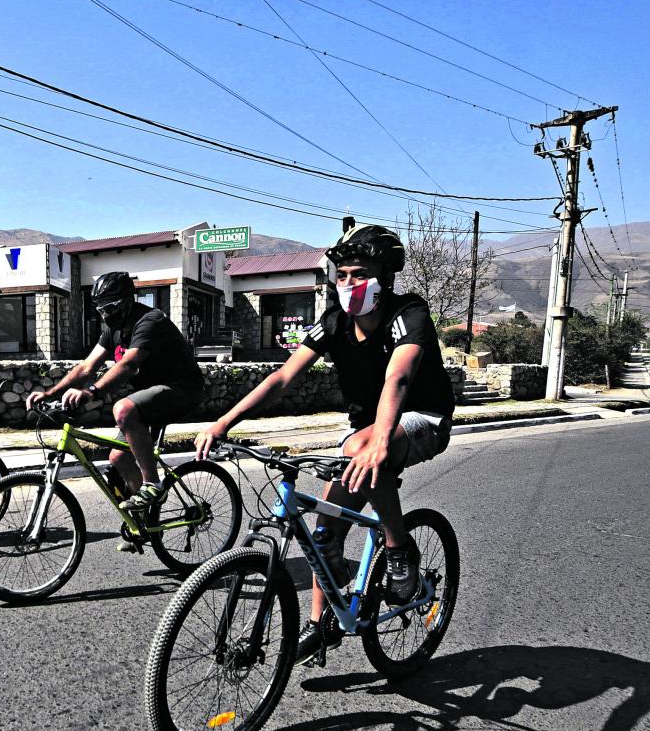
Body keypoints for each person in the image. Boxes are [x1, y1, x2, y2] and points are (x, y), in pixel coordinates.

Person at [194, 223, 455, 657]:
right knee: (323, 534)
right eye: (342, 274)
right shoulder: (334, 322)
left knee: (362, 450)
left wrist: (379, 440)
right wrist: (225, 422)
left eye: (359, 273)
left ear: (385, 276)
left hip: (422, 418)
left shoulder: (408, 314)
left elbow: (399, 377)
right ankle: (321, 624)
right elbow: (282, 377)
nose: (348, 282)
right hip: (366, 430)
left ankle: (398, 546)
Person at [27, 271, 205, 520]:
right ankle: (144, 519)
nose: (104, 314)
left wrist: (92, 391)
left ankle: (153, 485)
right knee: (118, 457)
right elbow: (86, 367)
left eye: (109, 307)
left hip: (183, 389)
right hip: (150, 395)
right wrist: (49, 393)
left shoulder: (150, 321)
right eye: (99, 308)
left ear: (127, 300)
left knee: (123, 408)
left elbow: (128, 365)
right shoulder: (113, 330)